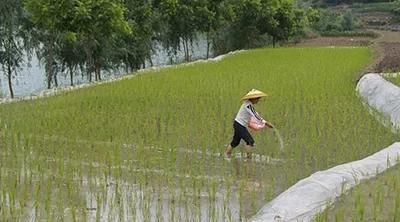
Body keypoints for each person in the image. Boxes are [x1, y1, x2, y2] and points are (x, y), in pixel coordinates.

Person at [225, 89, 274, 159]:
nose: (258, 101)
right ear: (253, 99)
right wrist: (266, 123)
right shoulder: (248, 105)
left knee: (235, 142)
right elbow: (255, 115)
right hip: (239, 125)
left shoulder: (248, 104)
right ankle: (249, 159)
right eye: (257, 99)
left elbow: (255, 114)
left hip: (238, 124)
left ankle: (227, 155)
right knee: (250, 141)